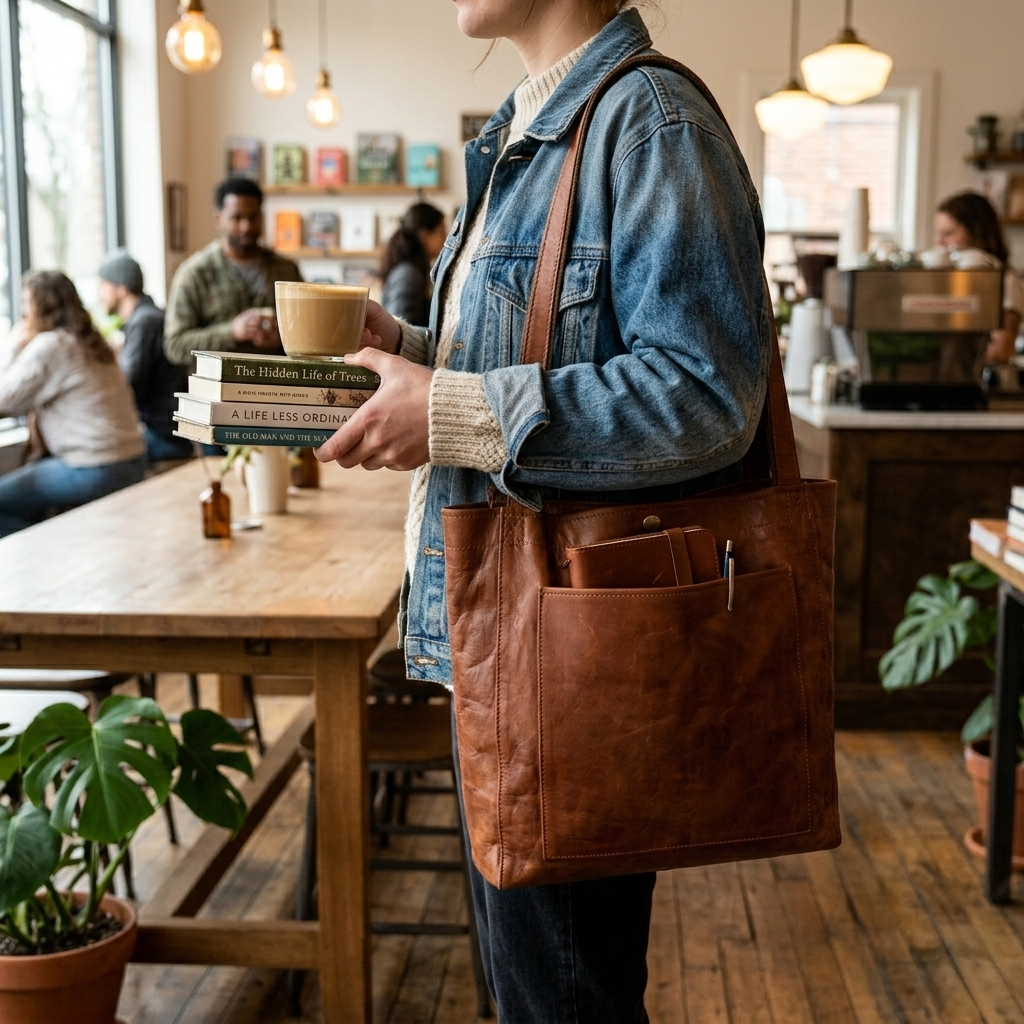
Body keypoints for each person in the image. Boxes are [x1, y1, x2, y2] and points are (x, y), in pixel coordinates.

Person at [314, 2, 770, 1021]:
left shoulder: (648, 120)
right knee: (540, 991)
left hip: (562, 652)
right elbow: (542, 357)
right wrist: (416, 350)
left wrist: (447, 408)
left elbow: (705, 396)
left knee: (562, 998)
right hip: (501, 638)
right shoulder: (528, 129)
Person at [0, 271, 146, 537]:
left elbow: (5, 399)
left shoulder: (51, 345)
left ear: (41, 307)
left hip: (94, 467)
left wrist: (14, 344)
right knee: (30, 483)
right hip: (133, 459)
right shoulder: (91, 340)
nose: (23, 313)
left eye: (25, 304)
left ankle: (39, 554)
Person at [164, 177, 302, 366]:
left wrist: (282, 337)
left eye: (253, 217)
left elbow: (307, 332)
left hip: (276, 386)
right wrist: (232, 332)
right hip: (214, 391)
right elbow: (175, 346)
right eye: (237, 218)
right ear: (218, 219)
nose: (246, 226)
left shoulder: (286, 270)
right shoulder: (195, 273)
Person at [97, 249, 191, 462]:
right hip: (169, 434)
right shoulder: (150, 317)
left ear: (122, 289)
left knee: (99, 454)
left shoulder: (144, 322)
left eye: (103, 285)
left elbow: (127, 385)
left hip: (162, 437)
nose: (99, 293)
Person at [935, 191, 1023, 363]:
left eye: (948, 234)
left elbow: (1001, 350)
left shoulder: (1006, 281)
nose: (940, 243)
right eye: (938, 234)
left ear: (976, 232)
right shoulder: (949, 280)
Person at [379, 203, 447, 327]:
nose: (446, 239)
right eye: (441, 232)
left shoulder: (415, 271)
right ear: (424, 235)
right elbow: (401, 326)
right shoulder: (408, 275)